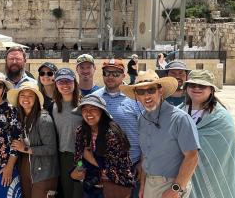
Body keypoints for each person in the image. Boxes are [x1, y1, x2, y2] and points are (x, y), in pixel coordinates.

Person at [119, 71, 200, 198]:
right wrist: (144, 185)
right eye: (141, 92)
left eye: (151, 90)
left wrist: (176, 189)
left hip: (171, 185)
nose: (146, 96)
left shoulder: (180, 119)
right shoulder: (142, 118)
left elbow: (192, 157)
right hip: (149, 185)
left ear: (160, 91)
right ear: (136, 95)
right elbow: (146, 155)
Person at [177, 70, 235, 197]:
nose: (196, 88)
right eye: (192, 85)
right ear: (186, 88)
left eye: (202, 86)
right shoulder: (178, 111)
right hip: (181, 175)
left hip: (212, 172)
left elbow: (220, 152)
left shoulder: (220, 117)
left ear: (211, 89)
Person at [92, 59, 144, 197]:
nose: (110, 76)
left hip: (131, 165)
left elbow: (146, 133)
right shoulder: (94, 98)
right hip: (101, 166)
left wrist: (142, 162)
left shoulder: (135, 99)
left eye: (115, 73)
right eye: (107, 72)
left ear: (123, 75)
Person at [70, 94, 135, 197]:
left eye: (93, 108)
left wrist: (90, 158)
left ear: (102, 111)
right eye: (84, 109)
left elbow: (118, 168)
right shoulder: (81, 132)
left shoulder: (112, 134)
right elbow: (78, 159)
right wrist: (77, 169)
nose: (88, 113)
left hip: (113, 188)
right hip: (91, 188)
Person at [8, 82, 58, 198]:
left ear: (36, 99)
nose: (26, 99)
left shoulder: (44, 119)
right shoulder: (20, 117)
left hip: (44, 172)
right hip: (26, 167)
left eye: (30, 96)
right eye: (22, 95)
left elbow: (51, 149)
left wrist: (25, 148)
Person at [51, 68, 84, 198]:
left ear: (74, 83)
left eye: (68, 81)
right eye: (60, 82)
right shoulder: (53, 107)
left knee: (79, 192)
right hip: (61, 158)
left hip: (80, 158)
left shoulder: (84, 105)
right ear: (56, 85)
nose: (65, 85)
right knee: (66, 192)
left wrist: (81, 164)